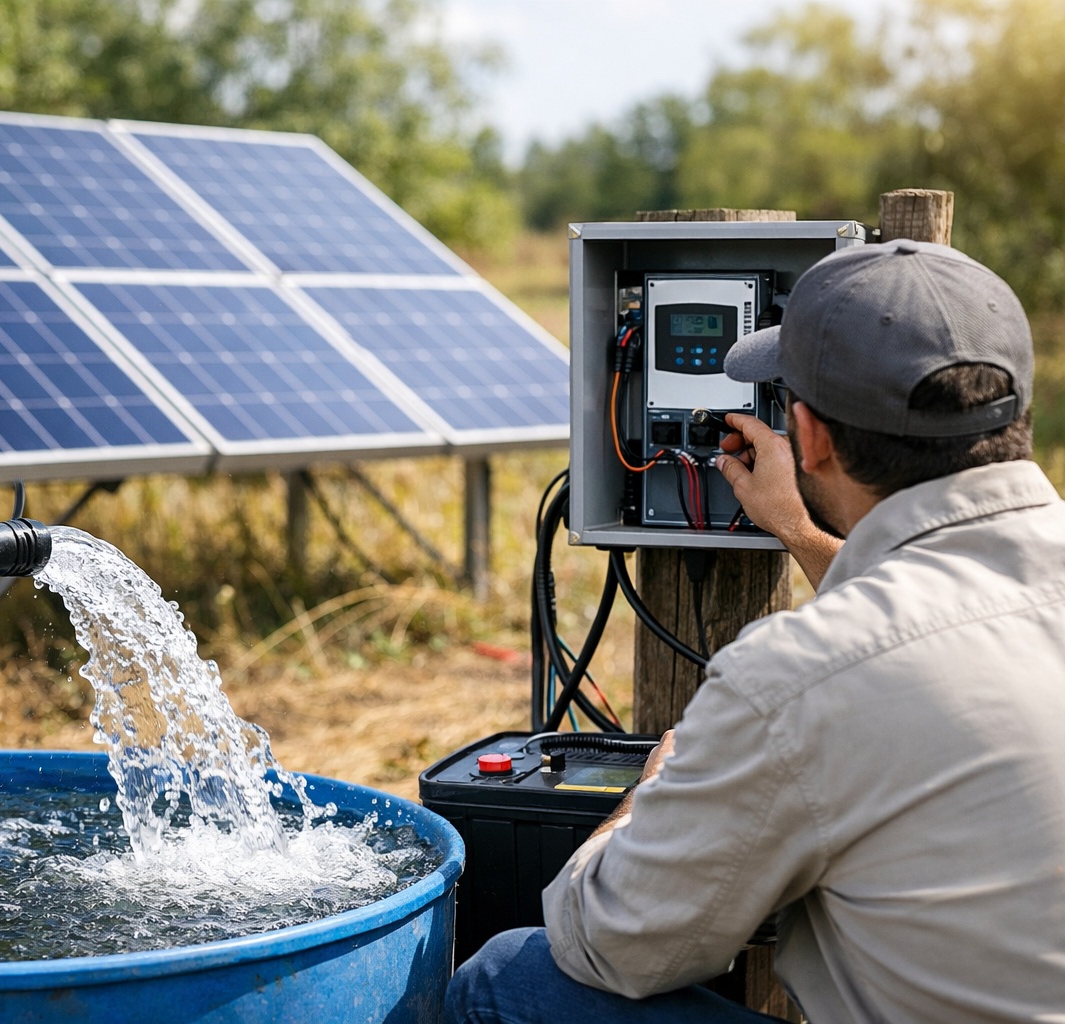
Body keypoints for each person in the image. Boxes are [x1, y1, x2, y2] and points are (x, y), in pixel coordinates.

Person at [446, 239, 1065, 1023]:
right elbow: (957, 597)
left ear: (805, 433)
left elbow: (613, 945)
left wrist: (652, 792)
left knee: (509, 976)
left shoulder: (799, 678)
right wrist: (801, 532)